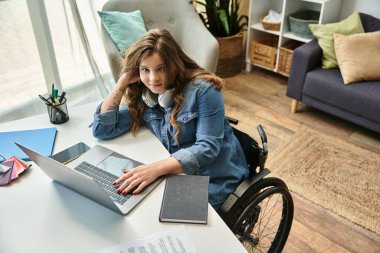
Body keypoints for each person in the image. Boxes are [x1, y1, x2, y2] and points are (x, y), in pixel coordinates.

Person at [92, 28, 249, 210]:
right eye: (145, 70)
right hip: (175, 174)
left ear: (173, 64)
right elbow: (103, 129)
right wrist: (124, 80)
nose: (153, 79)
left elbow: (207, 148)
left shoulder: (205, 90)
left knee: (158, 214)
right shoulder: (147, 95)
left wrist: (154, 169)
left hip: (215, 180)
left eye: (161, 68)